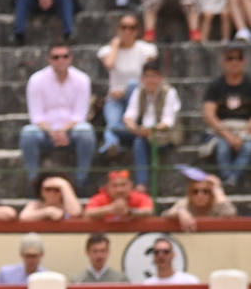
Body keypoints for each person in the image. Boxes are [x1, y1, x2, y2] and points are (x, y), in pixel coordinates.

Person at [19, 43, 95, 189]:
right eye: (56, 57)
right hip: (45, 133)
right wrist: (53, 132)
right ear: (49, 59)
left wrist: (63, 131)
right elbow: (36, 116)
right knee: (28, 133)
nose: (61, 60)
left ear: (71, 58)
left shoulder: (82, 79)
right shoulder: (36, 80)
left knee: (86, 131)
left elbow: (80, 115)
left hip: (72, 132)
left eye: (65, 56)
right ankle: (34, 181)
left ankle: (81, 179)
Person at [96, 13, 156, 159]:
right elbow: (109, 65)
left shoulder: (147, 49)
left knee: (133, 84)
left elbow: (150, 75)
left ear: (137, 30)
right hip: (114, 98)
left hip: (138, 96)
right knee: (113, 123)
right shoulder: (107, 50)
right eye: (124, 27)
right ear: (118, 29)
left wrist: (124, 92)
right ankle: (112, 144)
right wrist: (116, 46)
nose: (127, 31)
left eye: (132, 28)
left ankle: (113, 141)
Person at [123, 60, 181, 191]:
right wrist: (133, 127)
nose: (150, 80)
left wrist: (149, 131)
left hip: (164, 135)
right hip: (142, 132)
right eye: (147, 76)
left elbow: (168, 122)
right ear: (142, 78)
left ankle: (141, 184)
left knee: (139, 142)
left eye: (154, 76)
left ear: (160, 77)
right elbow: (130, 114)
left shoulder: (169, 92)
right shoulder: (139, 91)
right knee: (115, 131)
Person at [201, 44, 251, 188]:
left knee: (248, 148)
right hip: (221, 129)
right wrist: (228, 135)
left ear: (244, 61)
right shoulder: (215, 86)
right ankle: (229, 178)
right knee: (222, 148)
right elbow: (209, 115)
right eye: (230, 58)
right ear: (223, 61)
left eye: (238, 58)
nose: (234, 62)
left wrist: (243, 134)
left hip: (246, 129)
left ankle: (230, 179)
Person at [163, 165, 236, 230]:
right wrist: (180, 212)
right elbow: (165, 215)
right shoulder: (185, 203)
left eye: (205, 191)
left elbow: (229, 213)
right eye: (195, 191)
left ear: (212, 194)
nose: (200, 195)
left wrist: (217, 189)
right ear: (190, 194)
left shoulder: (217, 203)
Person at [83, 168, 155, 220]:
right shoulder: (99, 198)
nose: (119, 190)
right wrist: (110, 209)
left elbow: (149, 211)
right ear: (107, 187)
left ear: (131, 185)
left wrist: (129, 212)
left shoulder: (140, 197)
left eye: (123, 185)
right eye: (114, 185)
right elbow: (88, 213)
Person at [19, 173, 83, 220]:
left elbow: (75, 213)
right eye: (48, 189)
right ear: (40, 190)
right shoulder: (36, 204)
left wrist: (64, 184)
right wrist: (48, 211)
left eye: (57, 189)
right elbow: (23, 217)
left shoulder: (68, 206)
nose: (52, 193)